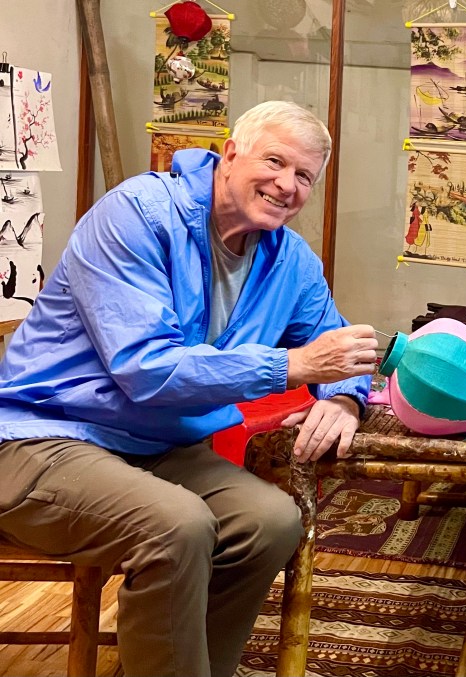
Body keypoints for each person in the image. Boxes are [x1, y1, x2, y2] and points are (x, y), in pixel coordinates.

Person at [0, 101, 380, 677]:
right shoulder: (136, 214)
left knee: (271, 522)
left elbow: (342, 344)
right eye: (274, 161)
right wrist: (293, 366)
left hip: (158, 447)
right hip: (44, 436)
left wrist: (346, 399)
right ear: (230, 153)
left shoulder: (291, 262)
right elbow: (146, 369)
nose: (287, 185)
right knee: (176, 526)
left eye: (305, 176)